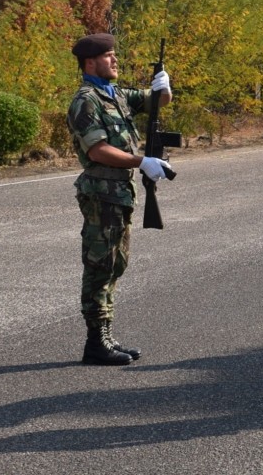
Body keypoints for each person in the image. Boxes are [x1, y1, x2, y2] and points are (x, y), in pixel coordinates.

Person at [66, 33, 172, 366]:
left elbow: (160, 101)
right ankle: (95, 343)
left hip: (120, 193)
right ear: (90, 63)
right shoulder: (87, 100)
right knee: (100, 265)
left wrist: (163, 85)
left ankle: (106, 335)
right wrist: (142, 162)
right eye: (109, 56)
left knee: (115, 264)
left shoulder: (116, 95)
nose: (115, 60)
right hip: (101, 193)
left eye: (114, 55)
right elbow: (98, 149)